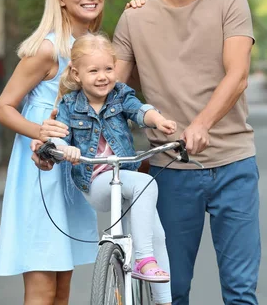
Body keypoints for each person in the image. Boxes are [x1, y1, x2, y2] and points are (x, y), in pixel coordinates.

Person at [113, 0, 261, 305]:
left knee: (241, 293)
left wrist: (201, 123)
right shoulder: (134, 18)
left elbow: (238, 74)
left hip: (234, 163)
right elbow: (109, 90)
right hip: (170, 170)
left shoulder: (231, 1)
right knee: (170, 292)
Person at [0, 0, 105, 305]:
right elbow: (2, 107)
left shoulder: (91, 46)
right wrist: (40, 131)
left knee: (62, 285)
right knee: (42, 285)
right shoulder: (48, 48)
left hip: (70, 170)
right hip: (41, 168)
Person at [47, 33, 176, 305]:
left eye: (108, 69)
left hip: (124, 175)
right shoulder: (70, 105)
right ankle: (143, 259)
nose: (103, 76)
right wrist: (64, 148)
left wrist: (157, 120)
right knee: (146, 183)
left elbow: (139, 110)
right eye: (93, 70)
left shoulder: (120, 95)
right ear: (77, 73)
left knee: (157, 234)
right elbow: (58, 135)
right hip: (96, 183)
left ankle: (164, 300)